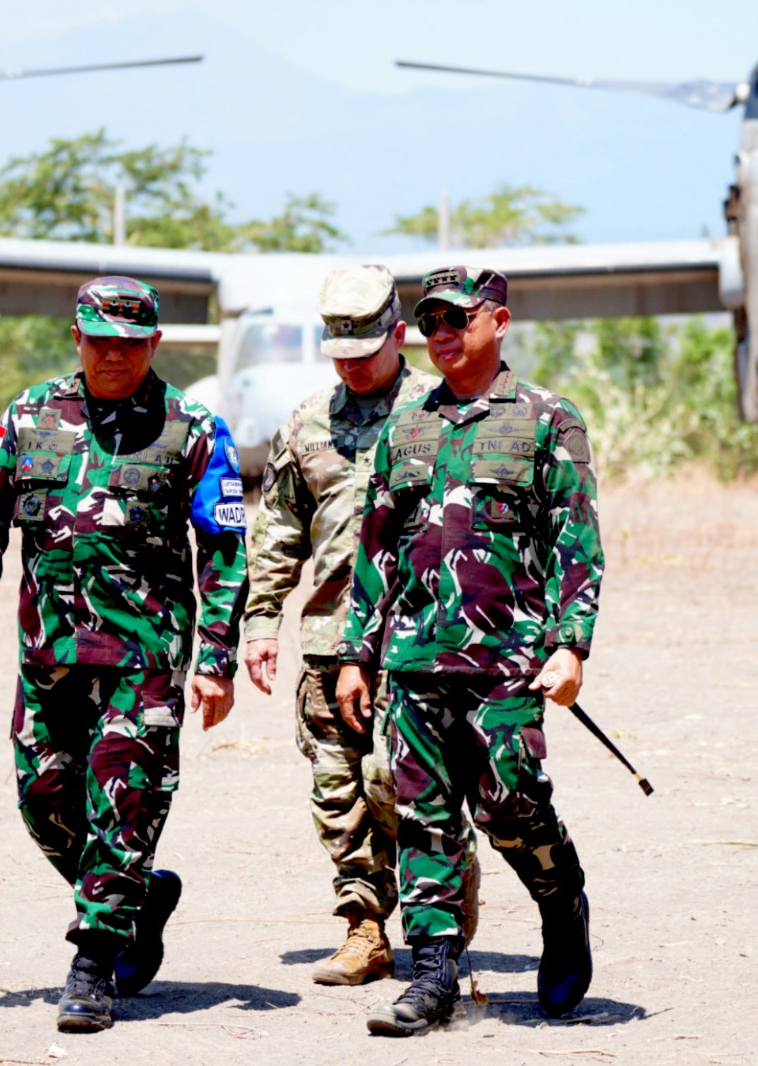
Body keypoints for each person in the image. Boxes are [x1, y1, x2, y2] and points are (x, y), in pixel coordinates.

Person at [0, 276, 249, 1034]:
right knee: (43, 801)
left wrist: (214, 657)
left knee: (126, 801)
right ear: (75, 337)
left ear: (154, 344)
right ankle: (136, 897)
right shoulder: (28, 416)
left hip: (144, 659)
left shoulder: (193, 428)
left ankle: (92, 961)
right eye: (99, 339)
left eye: (129, 342)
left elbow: (226, 549)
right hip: (50, 655)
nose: (113, 354)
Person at [336, 265, 605, 1035]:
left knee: (509, 802)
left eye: (457, 318)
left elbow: (576, 545)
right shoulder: (406, 427)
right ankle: (433, 973)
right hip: (416, 657)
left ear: (499, 320)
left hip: (509, 659)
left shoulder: (548, 420)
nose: (442, 335)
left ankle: (561, 902)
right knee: (422, 814)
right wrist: (357, 652)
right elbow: (375, 551)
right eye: (430, 323)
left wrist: (571, 645)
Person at [243, 265, 480, 987]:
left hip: (414, 640)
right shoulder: (308, 420)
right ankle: (364, 927)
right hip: (327, 635)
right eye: (338, 354)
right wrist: (260, 621)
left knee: (396, 782)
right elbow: (279, 524)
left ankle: (442, 891)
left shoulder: (441, 411)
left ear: (396, 335)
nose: (350, 365)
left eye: (364, 352)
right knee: (335, 786)